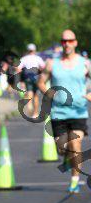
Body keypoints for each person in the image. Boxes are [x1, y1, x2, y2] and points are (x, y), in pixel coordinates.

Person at [38, 29, 91, 193]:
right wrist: (49, 94)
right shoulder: (52, 63)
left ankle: (74, 181)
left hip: (78, 112)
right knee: (63, 148)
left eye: (70, 41)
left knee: (76, 143)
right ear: (61, 43)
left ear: (75, 42)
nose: (67, 44)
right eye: (64, 41)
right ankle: (68, 158)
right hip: (59, 113)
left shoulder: (85, 63)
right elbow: (41, 82)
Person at [19, 44, 45, 119]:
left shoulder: (24, 58)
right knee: (36, 95)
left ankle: (29, 105)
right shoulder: (38, 58)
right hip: (36, 77)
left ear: (27, 50)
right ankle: (35, 113)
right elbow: (43, 67)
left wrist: (21, 79)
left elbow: (18, 68)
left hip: (27, 77)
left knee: (29, 92)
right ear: (34, 50)